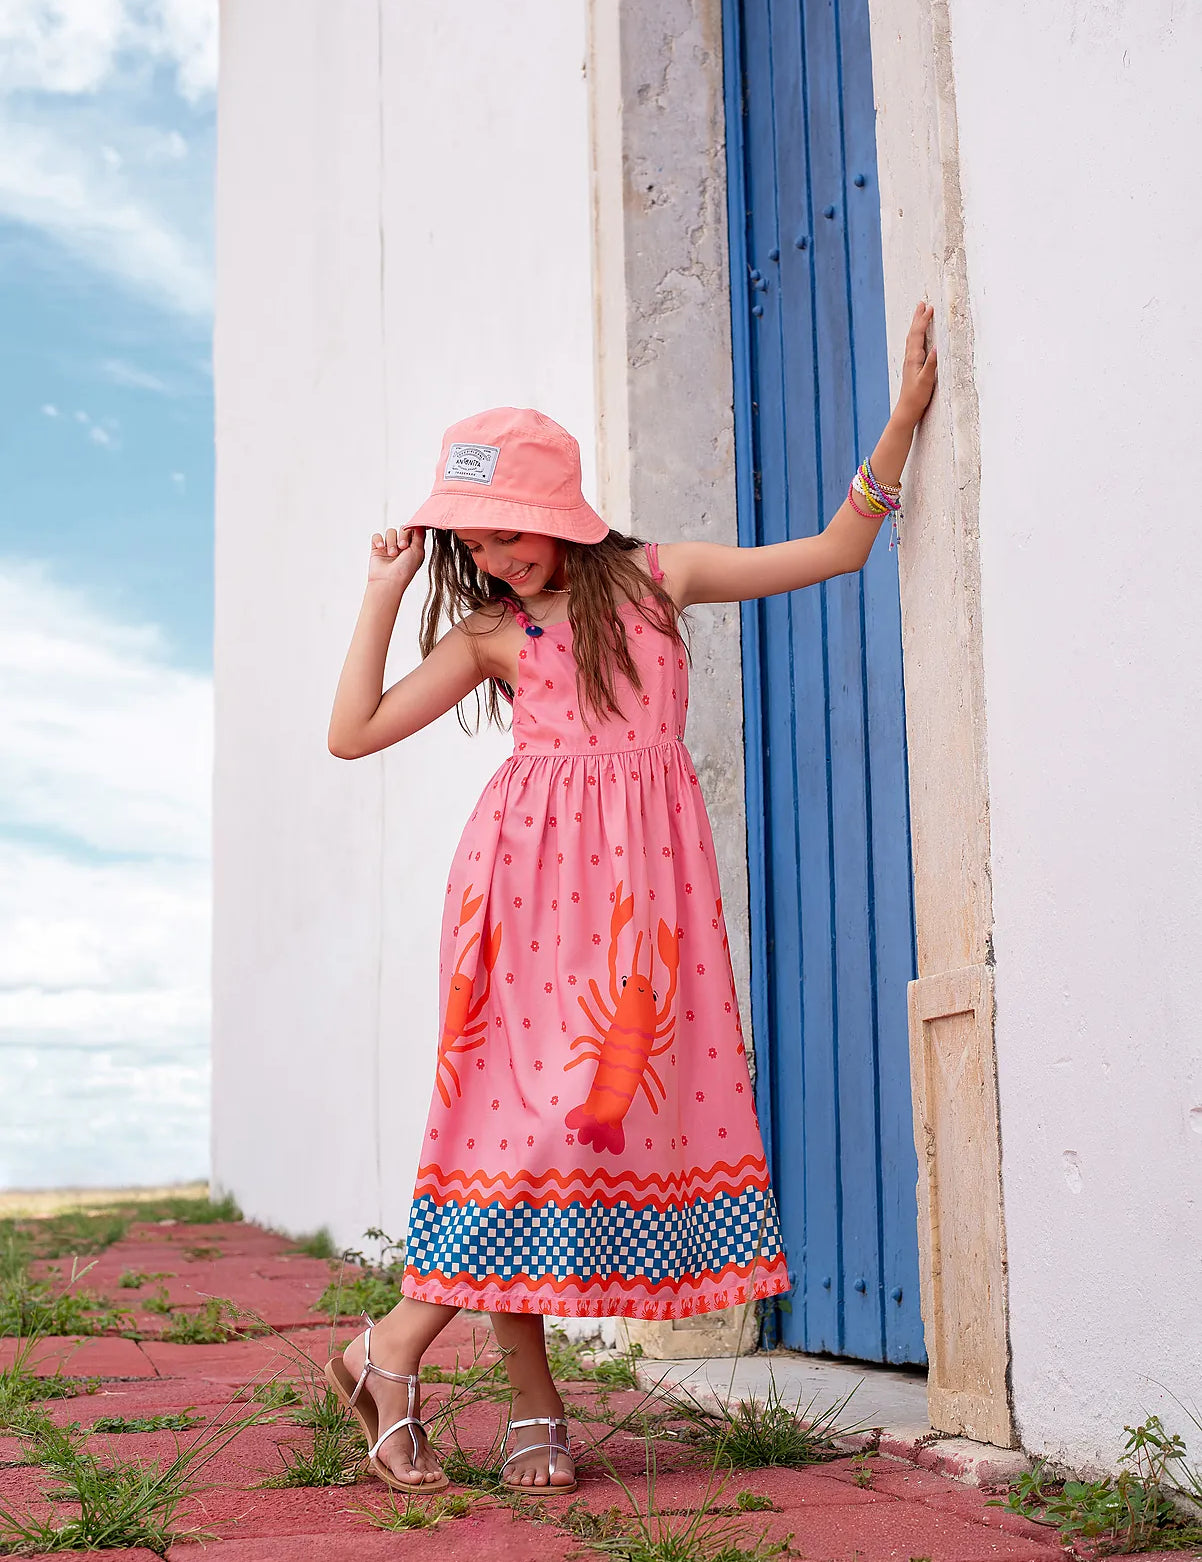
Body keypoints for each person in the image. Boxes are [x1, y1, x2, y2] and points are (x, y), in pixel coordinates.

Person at [325, 303, 938, 1494]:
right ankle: (496, 1393)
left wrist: (903, 419)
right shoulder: (491, 632)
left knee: (574, 1130)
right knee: (518, 1136)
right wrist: (383, 590)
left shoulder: (662, 580)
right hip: (517, 896)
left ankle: (397, 1354)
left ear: (560, 510)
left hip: (638, 909)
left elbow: (833, 550)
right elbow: (352, 732)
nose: (497, 558)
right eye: (477, 542)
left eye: (511, 533)